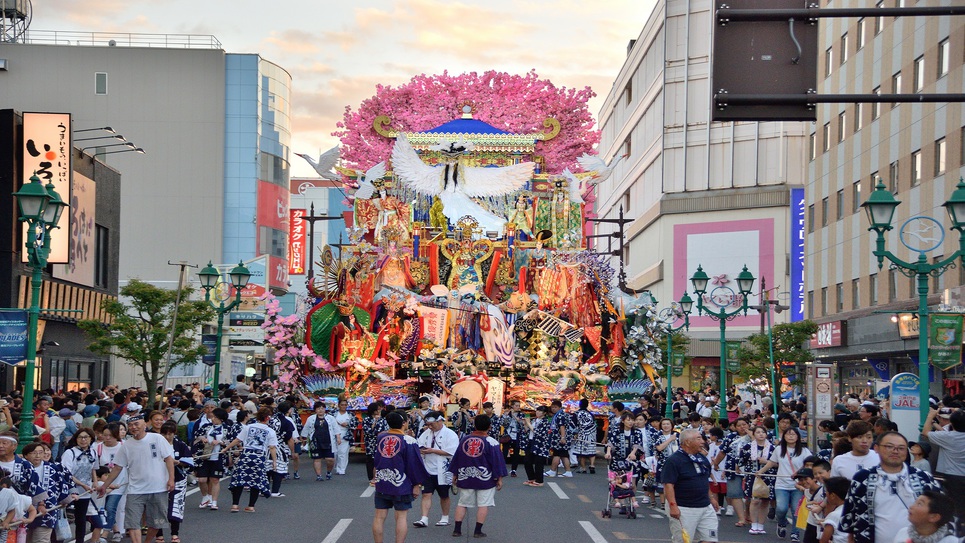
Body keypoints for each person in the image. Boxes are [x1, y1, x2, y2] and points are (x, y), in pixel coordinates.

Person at [838, 432, 941, 543]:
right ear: (876, 448)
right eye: (889, 446)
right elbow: (851, 513)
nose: (895, 451)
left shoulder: (924, 477)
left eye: (901, 448)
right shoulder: (863, 478)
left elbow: (942, 511)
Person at [97, 413, 175, 543]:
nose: (133, 427)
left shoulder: (157, 438)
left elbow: (168, 459)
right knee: (132, 523)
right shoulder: (126, 445)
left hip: (158, 487)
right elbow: (117, 467)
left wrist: (171, 479)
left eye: (136, 424)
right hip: (135, 490)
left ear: (144, 424)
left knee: (157, 523)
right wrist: (104, 486)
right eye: (130, 425)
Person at [372, 411, 429, 543]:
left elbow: (377, 460)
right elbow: (414, 465)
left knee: (379, 516)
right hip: (401, 483)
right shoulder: (408, 440)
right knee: (401, 517)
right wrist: (417, 484)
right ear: (404, 423)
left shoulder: (381, 437)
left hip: (383, 480)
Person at [447, 414, 508, 538]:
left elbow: (457, 458)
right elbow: (497, 462)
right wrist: (499, 478)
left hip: (465, 475)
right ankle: (477, 531)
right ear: (490, 427)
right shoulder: (492, 442)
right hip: (485, 477)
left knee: (462, 502)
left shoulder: (465, 440)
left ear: (474, 425)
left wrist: (455, 474)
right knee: (483, 504)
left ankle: (457, 529)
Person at [662, 428, 719, 543]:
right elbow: (668, 485)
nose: (703, 441)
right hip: (684, 507)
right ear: (687, 442)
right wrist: (673, 506)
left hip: (705, 506)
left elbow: (704, 479)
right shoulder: (674, 460)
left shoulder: (702, 458)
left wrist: (711, 498)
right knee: (684, 540)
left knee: (710, 539)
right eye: (698, 438)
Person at [756, 427, 812, 542]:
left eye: (793, 434)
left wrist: (799, 474)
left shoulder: (804, 451)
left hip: (798, 485)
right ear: (784, 437)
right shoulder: (779, 449)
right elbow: (772, 462)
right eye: (788, 434)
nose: (791, 436)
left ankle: (795, 533)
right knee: (781, 508)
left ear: (798, 437)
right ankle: (781, 523)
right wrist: (761, 472)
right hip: (781, 484)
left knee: (796, 510)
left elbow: (809, 464)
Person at [223, 407, 277, 513]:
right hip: (259, 457)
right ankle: (251, 506)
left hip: (246, 455)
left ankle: (235, 505)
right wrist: (274, 461)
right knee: (256, 481)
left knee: (240, 480)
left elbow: (238, 439)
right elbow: (272, 447)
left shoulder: (249, 427)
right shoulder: (270, 431)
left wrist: (226, 449)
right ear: (267, 418)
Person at [920, 407, 965, 526]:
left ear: (952, 423)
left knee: (953, 505)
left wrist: (931, 416)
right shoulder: (947, 435)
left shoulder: (948, 436)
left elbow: (925, 432)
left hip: (950, 475)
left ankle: (956, 528)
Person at [414, 410, 458, 529]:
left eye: (431, 424)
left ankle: (445, 517)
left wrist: (432, 450)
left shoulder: (450, 434)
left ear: (439, 421)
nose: (429, 427)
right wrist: (422, 450)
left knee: (444, 495)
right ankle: (424, 518)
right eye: (428, 424)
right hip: (427, 468)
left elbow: (452, 452)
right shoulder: (426, 433)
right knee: (426, 494)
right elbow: (419, 445)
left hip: (443, 470)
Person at [156, 420, 193, 543]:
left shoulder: (180, 445)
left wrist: (177, 462)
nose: (167, 436)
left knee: (176, 507)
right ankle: (159, 534)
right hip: (158, 480)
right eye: (164, 434)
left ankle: (174, 534)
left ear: (174, 433)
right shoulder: (156, 445)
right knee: (159, 508)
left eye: (170, 434)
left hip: (178, 480)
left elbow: (189, 461)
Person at [61, 427, 99, 543]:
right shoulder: (70, 453)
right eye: (80, 437)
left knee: (81, 518)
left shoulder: (93, 452)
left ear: (91, 439)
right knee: (62, 515)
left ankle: (80, 541)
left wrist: (95, 482)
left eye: (86, 437)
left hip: (86, 490)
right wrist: (82, 484)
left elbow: (93, 469)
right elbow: (66, 473)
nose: (83, 440)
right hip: (70, 489)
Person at [713, 417, 750, 524]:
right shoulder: (730, 437)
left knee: (751, 495)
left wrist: (752, 436)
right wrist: (716, 463)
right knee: (735, 493)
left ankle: (748, 514)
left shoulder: (755, 436)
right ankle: (741, 518)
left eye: (744, 424)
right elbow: (722, 452)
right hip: (733, 468)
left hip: (751, 469)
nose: (742, 427)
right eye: (739, 425)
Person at [742, 425, 776, 535]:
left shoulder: (773, 448)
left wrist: (766, 462)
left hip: (769, 476)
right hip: (753, 476)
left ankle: (761, 524)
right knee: (755, 500)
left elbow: (778, 463)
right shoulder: (747, 447)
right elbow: (741, 460)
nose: (761, 434)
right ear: (754, 434)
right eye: (758, 432)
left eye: (763, 432)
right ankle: (754, 524)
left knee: (766, 501)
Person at [96, 422, 127, 543]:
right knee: (106, 508)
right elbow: (94, 467)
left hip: (120, 483)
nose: (107, 438)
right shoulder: (97, 447)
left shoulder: (124, 446)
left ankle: (105, 533)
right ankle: (117, 531)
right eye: (105, 435)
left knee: (111, 507)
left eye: (110, 435)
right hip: (103, 484)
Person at [892, 491, 958, 543]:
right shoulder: (903, 533)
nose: (911, 507)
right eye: (915, 502)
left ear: (934, 517)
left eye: (920, 504)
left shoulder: (951, 541)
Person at [196, 407, 227, 509]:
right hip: (205, 455)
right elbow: (197, 435)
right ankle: (205, 497)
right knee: (202, 479)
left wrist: (221, 442)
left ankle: (214, 502)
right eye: (212, 417)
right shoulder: (206, 426)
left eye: (215, 417)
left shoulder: (227, 428)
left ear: (221, 418)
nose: (212, 419)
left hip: (218, 456)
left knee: (215, 480)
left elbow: (232, 441)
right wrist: (203, 439)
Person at [302, 401, 337, 481]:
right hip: (315, 441)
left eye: (322, 408)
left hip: (328, 441)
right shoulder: (311, 418)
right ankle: (319, 475)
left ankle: (329, 472)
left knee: (330, 459)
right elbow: (306, 429)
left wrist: (338, 437)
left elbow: (335, 428)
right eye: (318, 408)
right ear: (315, 410)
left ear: (325, 409)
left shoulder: (330, 418)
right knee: (317, 458)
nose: (320, 410)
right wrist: (303, 438)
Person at [0, 476, 37, 543]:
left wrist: (29, 519)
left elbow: (32, 510)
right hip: (4, 529)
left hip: (15, 531)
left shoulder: (21, 498)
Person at [522, 406, 550, 487]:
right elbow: (527, 430)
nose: (537, 412)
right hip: (531, 441)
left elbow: (536, 431)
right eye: (537, 410)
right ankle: (531, 478)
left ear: (544, 413)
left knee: (538, 462)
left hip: (540, 443)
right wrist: (525, 424)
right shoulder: (534, 420)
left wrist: (528, 423)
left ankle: (539, 480)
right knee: (527, 460)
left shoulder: (545, 422)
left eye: (540, 411)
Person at [819, 477, 851, 543]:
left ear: (832, 495)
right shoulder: (853, 510)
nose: (826, 496)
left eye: (826, 493)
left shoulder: (833, 515)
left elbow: (823, 541)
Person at [498, 400, 526, 477]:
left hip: (517, 435)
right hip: (508, 435)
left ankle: (514, 470)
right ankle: (502, 469)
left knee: (516, 453)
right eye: (516, 405)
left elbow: (523, 424)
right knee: (504, 452)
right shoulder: (507, 414)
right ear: (512, 406)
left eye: (518, 406)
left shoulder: (522, 415)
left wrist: (515, 417)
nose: (518, 407)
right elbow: (503, 424)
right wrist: (506, 416)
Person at [546, 400, 573, 477]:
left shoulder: (560, 415)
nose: (553, 409)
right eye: (552, 407)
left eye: (555, 407)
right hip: (559, 437)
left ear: (560, 407)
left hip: (559, 438)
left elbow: (562, 427)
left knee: (557, 454)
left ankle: (552, 470)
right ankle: (568, 471)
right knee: (563, 455)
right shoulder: (560, 415)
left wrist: (563, 437)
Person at [572, 399, 598, 474]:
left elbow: (574, 426)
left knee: (581, 452)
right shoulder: (591, 414)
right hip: (592, 434)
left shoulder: (576, 413)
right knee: (592, 450)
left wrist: (574, 434)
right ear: (587, 405)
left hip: (582, 434)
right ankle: (592, 465)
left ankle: (583, 468)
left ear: (579, 404)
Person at [333, 398, 355, 475]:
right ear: (339, 405)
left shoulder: (350, 415)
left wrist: (348, 424)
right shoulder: (333, 414)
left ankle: (342, 469)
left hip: (345, 435)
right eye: (342, 405)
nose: (344, 406)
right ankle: (336, 467)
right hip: (334, 435)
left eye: (345, 405)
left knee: (343, 453)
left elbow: (355, 424)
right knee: (335, 453)